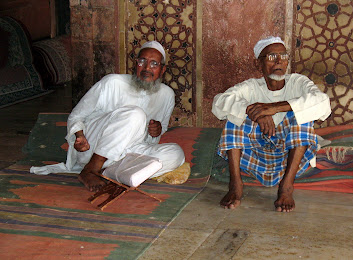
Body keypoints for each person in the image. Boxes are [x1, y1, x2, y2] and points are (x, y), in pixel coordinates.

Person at [31, 41, 185, 192]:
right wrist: (79, 136)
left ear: (162, 70)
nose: (146, 68)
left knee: (176, 154)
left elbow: (156, 136)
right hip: (93, 145)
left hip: (127, 152)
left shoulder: (167, 95)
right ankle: (91, 169)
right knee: (136, 114)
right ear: (135, 64)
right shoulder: (113, 82)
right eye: (142, 61)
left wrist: (155, 132)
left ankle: (111, 173)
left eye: (154, 64)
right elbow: (76, 115)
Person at [212, 36, 331, 212]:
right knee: (234, 115)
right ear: (257, 63)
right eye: (271, 57)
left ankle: (287, 186)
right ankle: (235, 184)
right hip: (255, 154)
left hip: (288, 157)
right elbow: (219, 103)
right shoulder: (252, 87)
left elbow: (322, 103)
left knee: (301, 116)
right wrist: (254, 111)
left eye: (283, 56)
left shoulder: (297, 82)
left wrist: (272, 108)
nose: (278, 62)